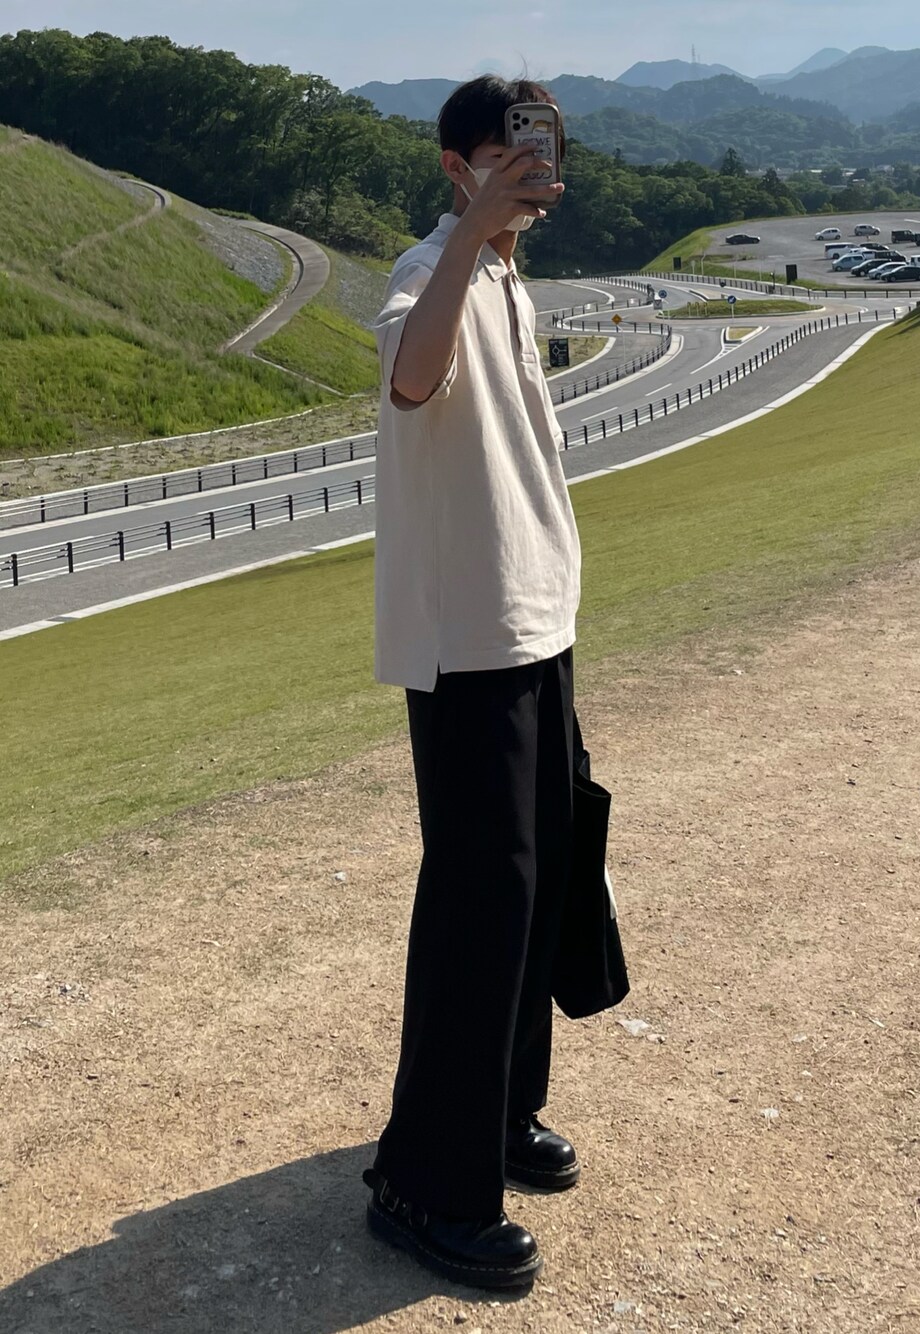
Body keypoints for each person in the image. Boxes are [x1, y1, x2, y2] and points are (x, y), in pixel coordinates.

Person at [361, 75, 583, 1291]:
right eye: (507, 153)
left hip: (537, 621)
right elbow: (409, 375)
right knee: (477, 903)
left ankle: (498, 1112)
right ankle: (424, 1184)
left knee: (534, 890)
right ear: (457, 166)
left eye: (541, 150)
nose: (530, 170)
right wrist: (466, 235)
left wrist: (490, 241)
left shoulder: (507, 278)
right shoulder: (430, 267)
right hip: (464, 642)